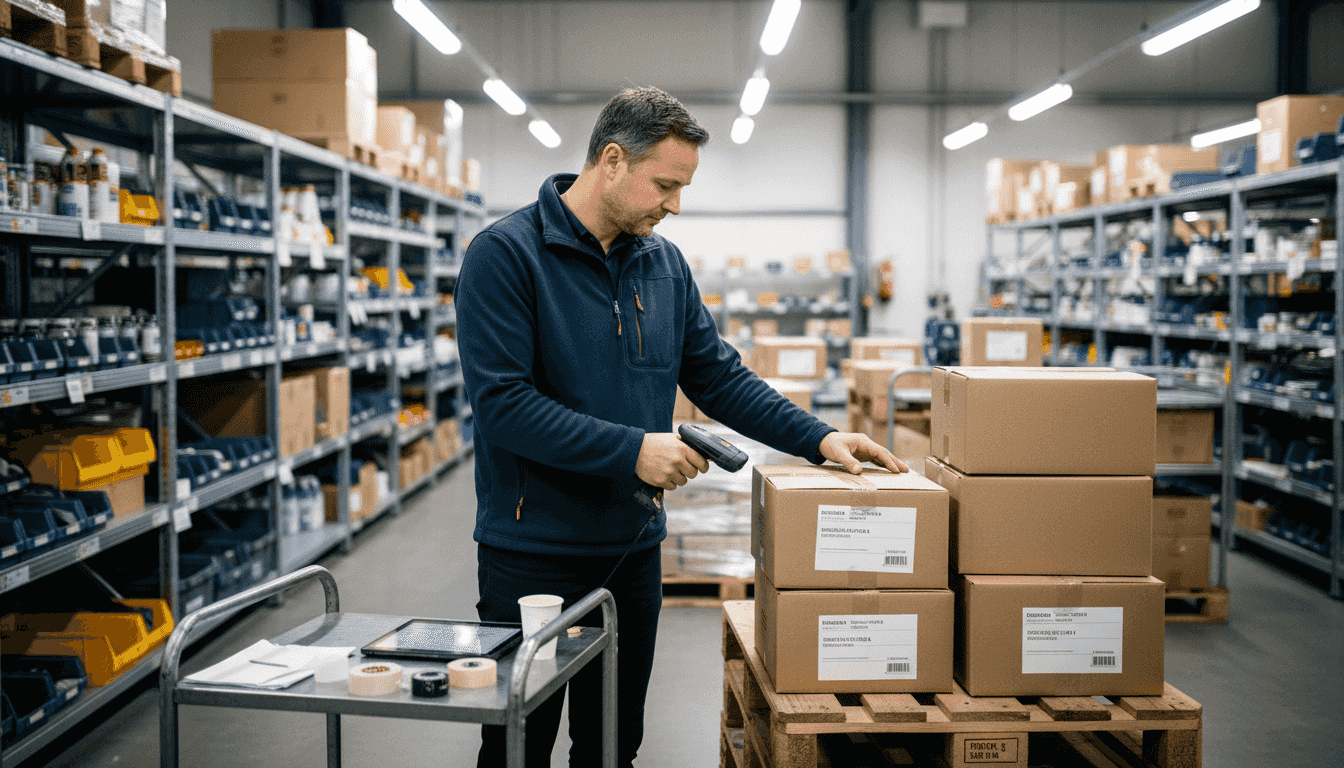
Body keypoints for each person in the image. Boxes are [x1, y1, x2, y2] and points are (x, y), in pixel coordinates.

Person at [455, 86, 907, 767]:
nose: (675, 205)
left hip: (632, 547)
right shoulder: (505, 256)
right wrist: (632, 451)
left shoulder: (661, 264)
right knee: (521, 740)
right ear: (611, 160)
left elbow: (719, 376)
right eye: (664, 184)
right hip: (532, 552)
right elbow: (503, 405)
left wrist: (818, 438)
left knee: (612, 743)